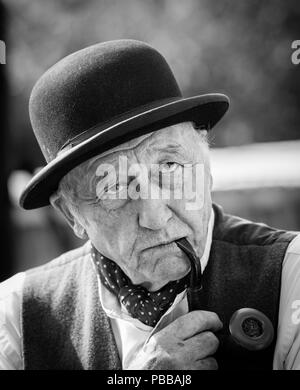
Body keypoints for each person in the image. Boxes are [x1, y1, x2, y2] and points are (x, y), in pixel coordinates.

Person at [1, 39, 300, 370]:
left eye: (170, 167)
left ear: (206, 169)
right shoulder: (17, 316)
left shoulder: (291, 275)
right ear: (71, 214)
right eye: (114, 186)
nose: (155, 216)